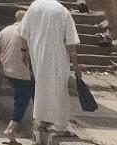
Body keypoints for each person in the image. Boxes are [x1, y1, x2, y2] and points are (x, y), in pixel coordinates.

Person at [22, 0, 81, 137]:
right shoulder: (62, 11)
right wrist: (76, 66)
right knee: (59, 91)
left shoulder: (35, 6)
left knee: (42, 87)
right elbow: (71, 44)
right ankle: (60, 127)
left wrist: (25, 51)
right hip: (57, 57)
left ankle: (42, 121)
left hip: (38, 55)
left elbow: (24, 31)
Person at [0, 10, 34, 145]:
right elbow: (29, 52)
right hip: (21, 72)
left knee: (24, 96)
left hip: (7, 70)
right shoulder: (25, 31)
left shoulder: (5, 31)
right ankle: (10, 129)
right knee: (22, 101)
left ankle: (40, 120)